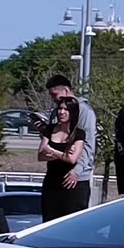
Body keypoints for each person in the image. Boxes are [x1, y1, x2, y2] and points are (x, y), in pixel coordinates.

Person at [44, 74, 96, 204]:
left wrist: (76, 171)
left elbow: (89, 145)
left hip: (76, 179)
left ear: (66, 90)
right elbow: (48, 147)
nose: (53, 99)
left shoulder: (85, 111)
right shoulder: (55, 112)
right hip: (55, 176)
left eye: (54, 94)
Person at [39, 97, 87, 221]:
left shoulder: (78, 133)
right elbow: (41, 155)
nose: (62, 112)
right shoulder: (49, 129)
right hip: (51, 183)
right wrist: (63, 154)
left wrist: (52, 151)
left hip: (69, 185)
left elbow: (72, 159)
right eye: (60, 108)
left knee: (69, 221)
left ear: (73, 112)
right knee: (49, 220)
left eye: (66, 109)